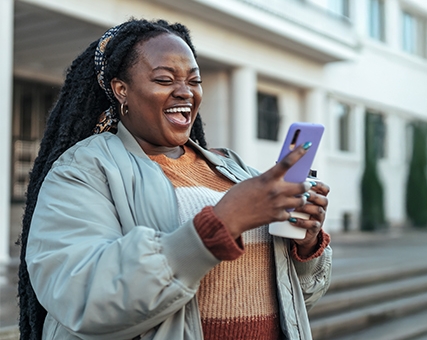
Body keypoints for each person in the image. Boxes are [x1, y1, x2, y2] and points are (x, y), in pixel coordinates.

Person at [18, 19, 331, 340]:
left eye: (194, 80)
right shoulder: (82, 169)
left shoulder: (234, 169)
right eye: (164, 79)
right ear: (121, 89)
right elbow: (83, 298)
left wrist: (305, 243)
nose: (184, 91)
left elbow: (295, 299)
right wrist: (219, 225)